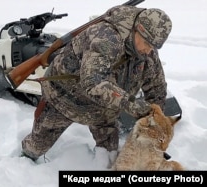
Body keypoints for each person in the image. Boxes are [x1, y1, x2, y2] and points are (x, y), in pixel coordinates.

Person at [21, 4, 172, 166]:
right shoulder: (106, 38)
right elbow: (93, 82)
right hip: (65, 101)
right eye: (146, 44)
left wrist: (156, 119)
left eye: (153, 47)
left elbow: (157, 88)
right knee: (35, 147)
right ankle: (22, 164)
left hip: (105, 111)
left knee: (109, 157)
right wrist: (133, 105)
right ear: (137, 29)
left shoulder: (147, 50)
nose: (148, 51)